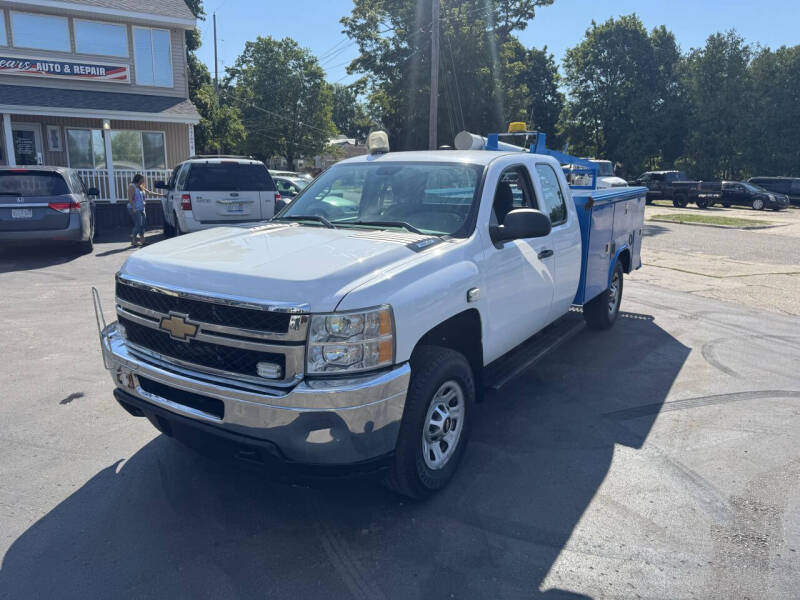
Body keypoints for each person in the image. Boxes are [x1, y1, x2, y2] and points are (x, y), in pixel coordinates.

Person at [127, 174, 163, 247]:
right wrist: (133, 208)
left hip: (142, 208)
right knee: (138, 224)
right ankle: (133, 240)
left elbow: (149, 193)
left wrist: (161, 195)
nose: (144, 180)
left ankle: (142, 241)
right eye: (143, 179)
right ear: (139, 179)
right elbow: (130, 198)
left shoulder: (141, 187)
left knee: (143, 225)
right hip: (134, 208)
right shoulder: (132, 186)